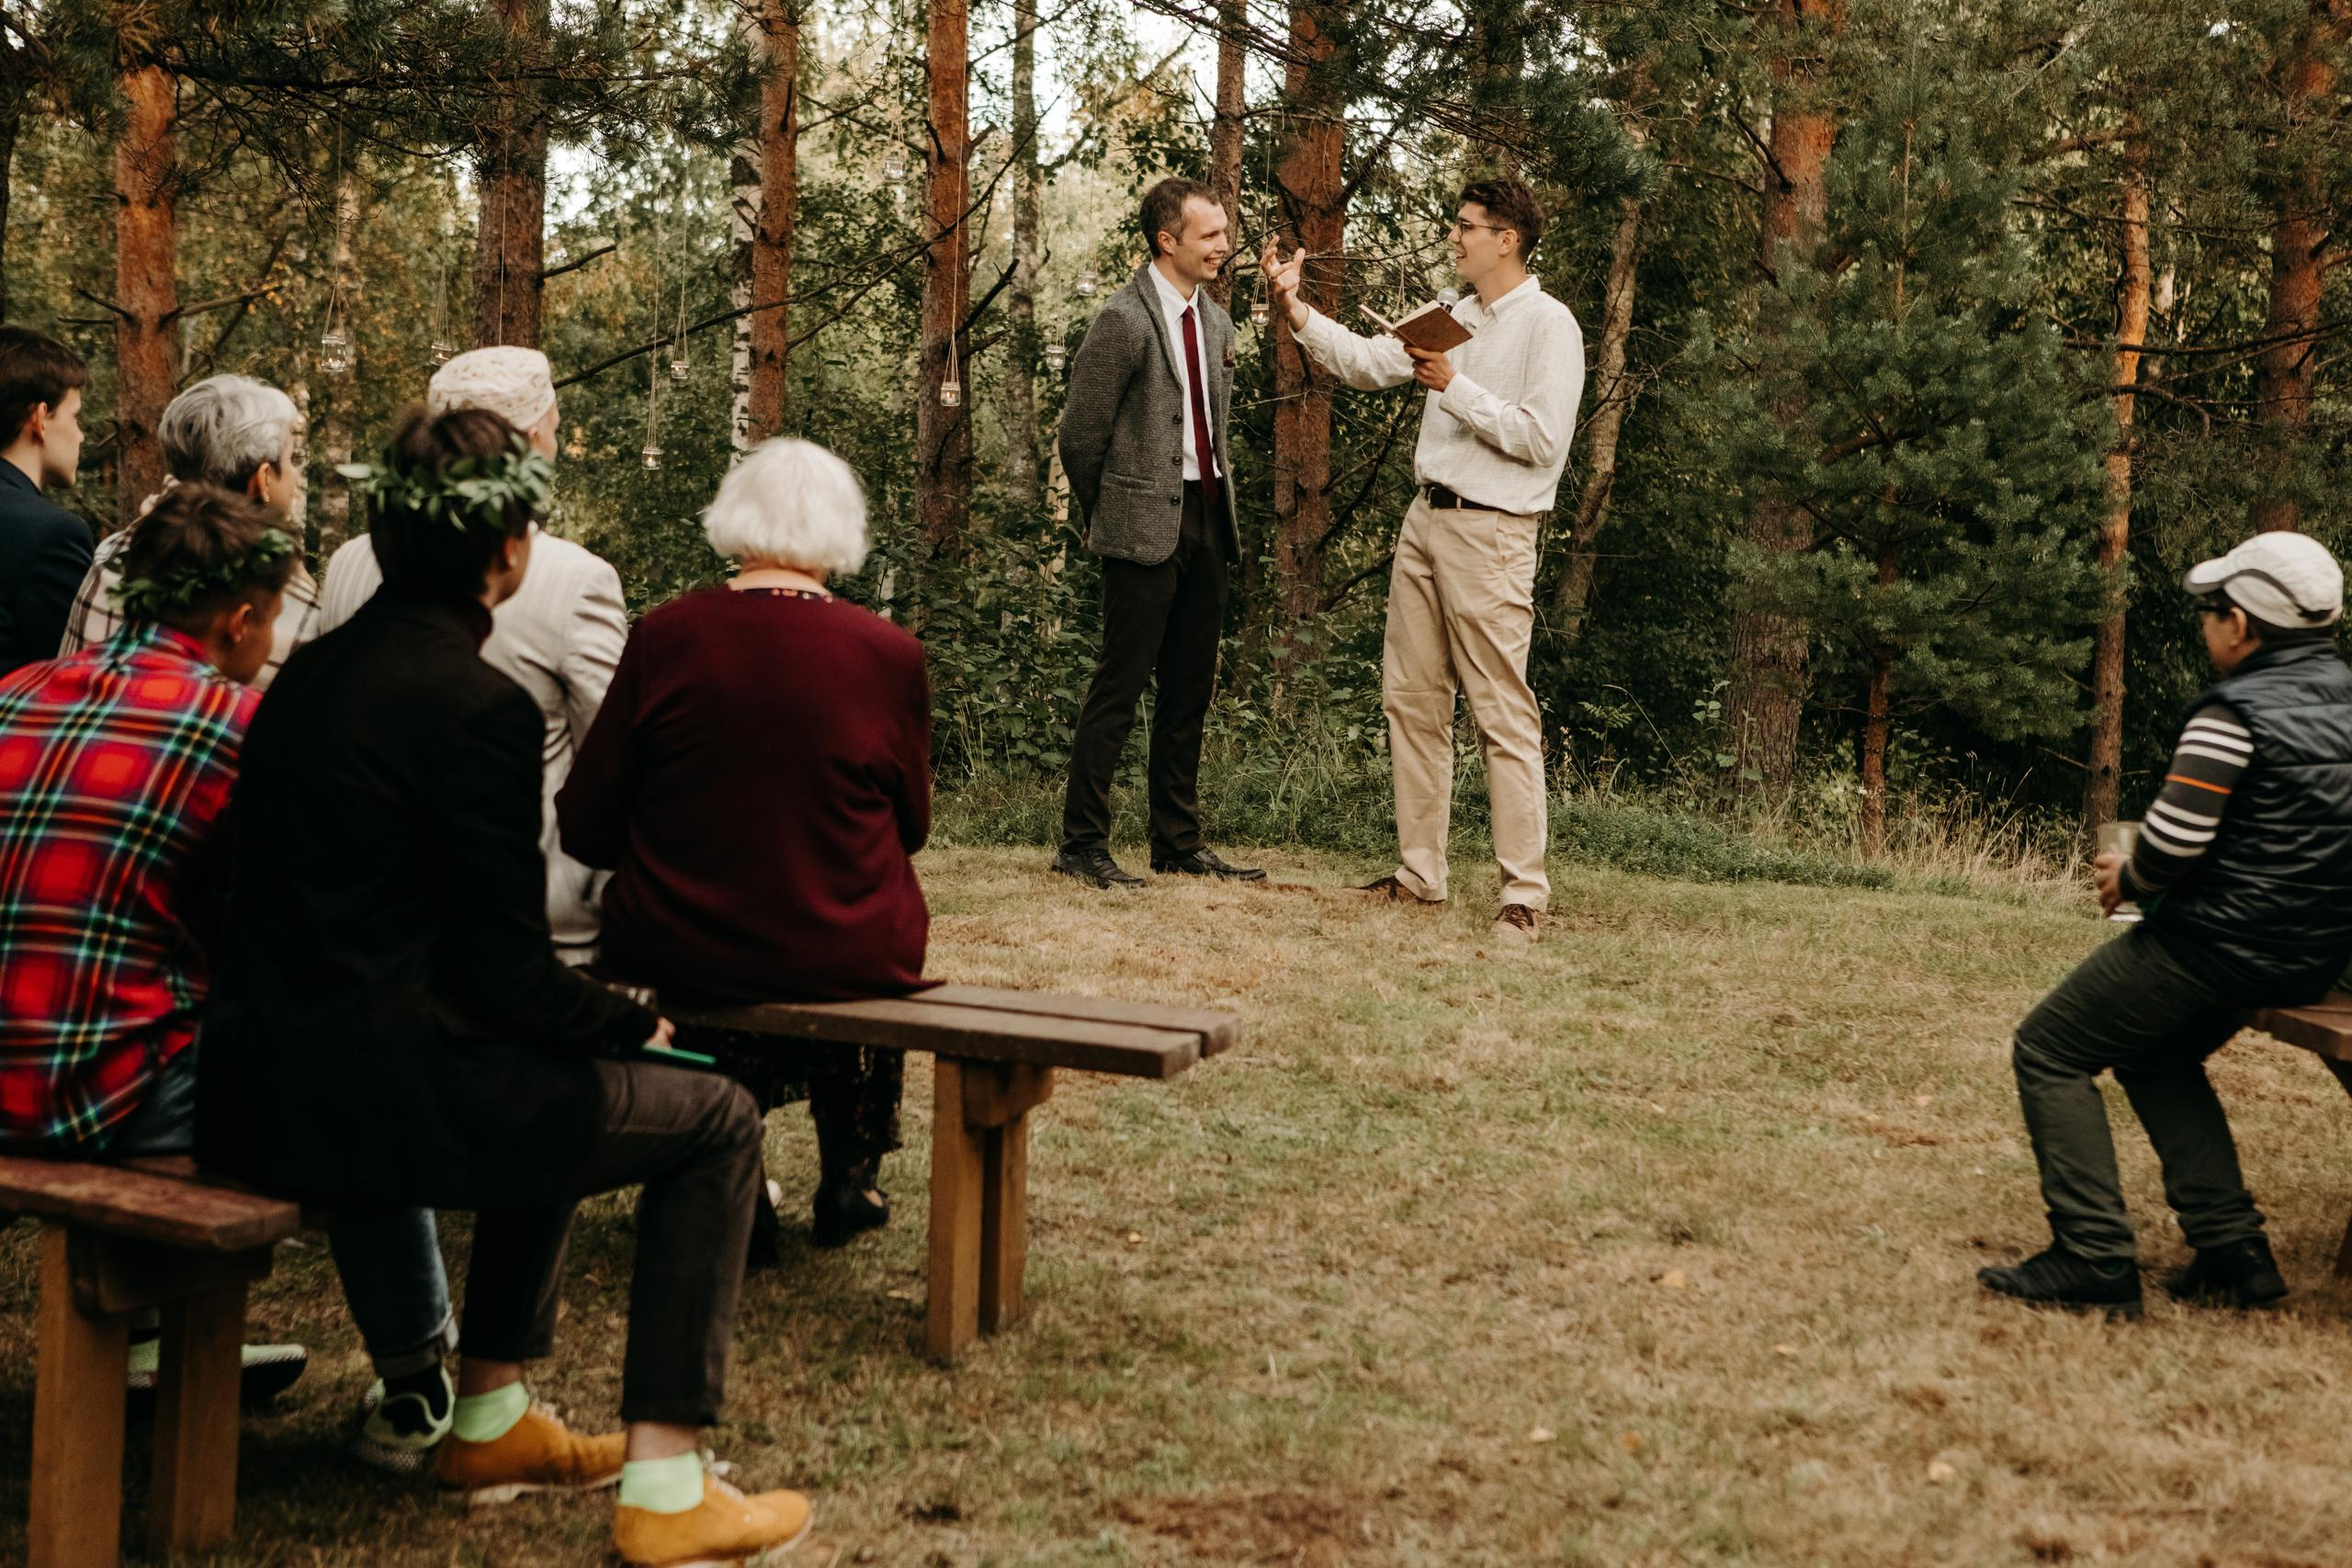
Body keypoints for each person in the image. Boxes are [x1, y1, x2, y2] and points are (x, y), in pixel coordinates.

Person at [198, 407, 811, 1563]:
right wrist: (629, 1018)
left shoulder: (305, 677)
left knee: (568, 1069)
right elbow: (503, 974)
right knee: (717, 1118)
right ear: (513, 547)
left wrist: (586, 1031)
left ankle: (488, 1419)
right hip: (383, 1106)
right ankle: (670, 1486)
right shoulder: (477, 706)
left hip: (258, 1092)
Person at [559, 438, 927, 1253]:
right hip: (844, 941)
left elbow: (585, 819)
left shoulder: (664, 636)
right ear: (842, 532)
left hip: (682, 937)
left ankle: (729, 1178)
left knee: (726, 957)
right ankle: (850, 1173)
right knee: (853, 930)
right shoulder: (889, 654)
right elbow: (914, 827)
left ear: (735, 520)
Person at [1980, 532, 2352, 1318]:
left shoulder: (2232, 711)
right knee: (2154, 1056)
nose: (2206, 625)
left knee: (2048, 1047)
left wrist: (2129, 876)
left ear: (2242, 624)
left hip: (2213, 946)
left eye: (2212, 611)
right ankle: (2233, 1250)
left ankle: (2092, 1255)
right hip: (2312, 956)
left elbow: (2176, 843)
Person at [0, 481, 310, 1402]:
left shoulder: (13, 693)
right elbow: (267, 929)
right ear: (243, 618)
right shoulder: (240, 724)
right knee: (349, 1076)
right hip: (93, 1097)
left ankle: (139, 1340)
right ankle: (424, 1373)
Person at [1261, 175, 1585, 947]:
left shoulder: (1550, 326)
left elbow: (1543, 441)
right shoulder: (1456, 315)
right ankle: (1419, 875)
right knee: (1411, 699)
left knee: (1500, 710)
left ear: (1508, 239)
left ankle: (1524, 893)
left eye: (1468, 226)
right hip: (1425, 521)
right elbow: (1369, 362)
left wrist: (1457, 387)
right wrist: (1295, 309)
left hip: (1496, 532)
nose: (1455, 236)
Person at [318, 344, 626, 967]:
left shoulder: (350, 560)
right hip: (533, 927)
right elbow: (610, 763)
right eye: (558, 431)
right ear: (536, 436)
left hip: (367, 913)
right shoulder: (576, 578)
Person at [1054, 175, 1263, 890]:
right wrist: (1112, 512)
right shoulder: (1122, 320)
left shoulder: (1219, 323)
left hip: (1209, 517)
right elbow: (1080, 437)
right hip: (1139, 525)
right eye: (1211, 236)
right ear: (1166, 241)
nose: (1224, 248)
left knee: (1187, 689)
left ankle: (1176, 841)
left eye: (1225, 234)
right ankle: (1081, 844)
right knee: (1119, 685)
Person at [59, 375, 322, 689]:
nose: (294, 475)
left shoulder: (112, 554)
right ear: (263, 480)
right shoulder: (292, 601)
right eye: (291, 459)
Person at [0, 326, 94, 676]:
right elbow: (79, 673)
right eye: (75, 416)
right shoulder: (49, 534)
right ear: (39, 418)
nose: (81, 435)